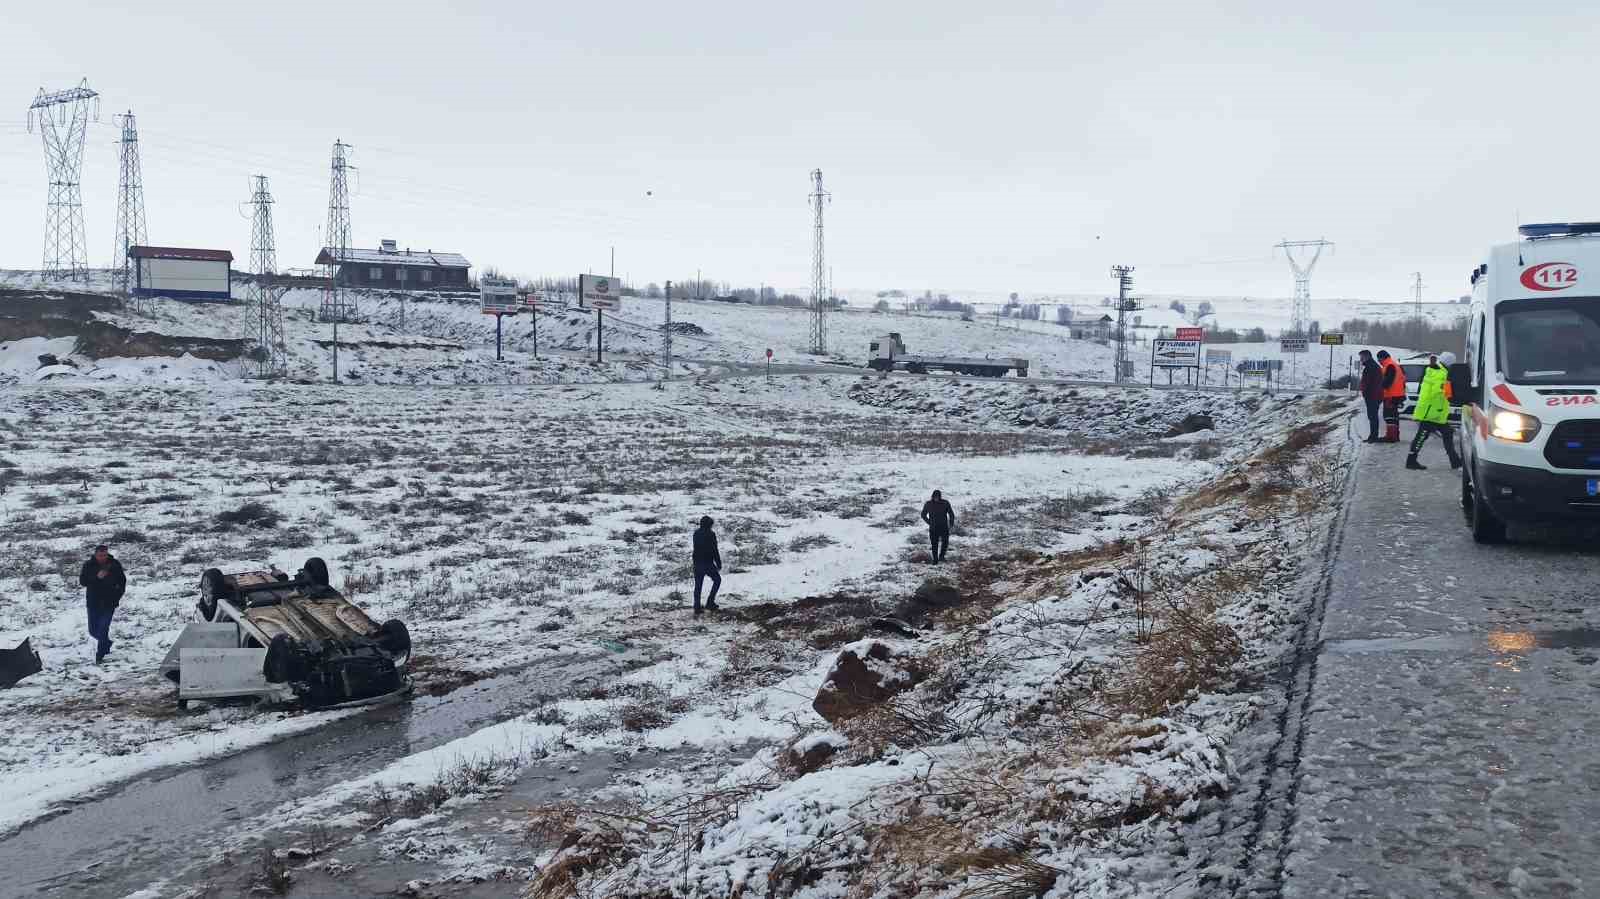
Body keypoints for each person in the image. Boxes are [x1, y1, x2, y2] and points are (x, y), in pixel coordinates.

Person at [1406, 353, 1462, 471]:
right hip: (1431, 412)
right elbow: (1439, 389)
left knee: (1447, 433)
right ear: (1449, 363)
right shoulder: (1440, 373)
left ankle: (1455, 461)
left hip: (1436, 412)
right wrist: (1452, 394)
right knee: (1421, 436)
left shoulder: (1434, 370)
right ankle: (1411, 461)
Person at [79, 544, 126, 663]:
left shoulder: (114, 564)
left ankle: (100, 655)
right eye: (100, 555)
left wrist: (117, 595)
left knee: (103, 628)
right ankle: (107, 643)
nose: (102, 557)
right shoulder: (88, 565)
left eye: (104, 555)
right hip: (93, 602)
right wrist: (96, 577)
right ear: (95, 554)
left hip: (109, 602)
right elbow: (83, 582)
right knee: (93, 630)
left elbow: (122, 581)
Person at [691, 516, 721, 614]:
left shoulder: (696, 533)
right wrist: (718, 562)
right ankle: (710, 602)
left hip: (697, 562)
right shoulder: (711, 534)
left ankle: (697, 606)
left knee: (698, 585)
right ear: (709, 525)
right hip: (707, 563)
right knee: (717, 580)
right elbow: (714, 549)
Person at [1377, 350, 1407, 443]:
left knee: (1389, 416)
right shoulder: (1395, 365)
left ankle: (1390, 437)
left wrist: (1380, 386)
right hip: (1398, 394)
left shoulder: (1389, 366)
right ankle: (1395, 436)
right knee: (1394, 415)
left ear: (1382, 357)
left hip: (1391, 395)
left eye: (1379, 359)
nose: (1379, 361)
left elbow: (1387, 382)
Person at [920, 490, 956, 564]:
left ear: (940, 496)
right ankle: (935, 560)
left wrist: (951, 524)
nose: (936, 498)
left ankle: (941, 556)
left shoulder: (945, 503)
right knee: (934, 544)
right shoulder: (928, 504)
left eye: (938, 497)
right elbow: (923, 514)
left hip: (944, 527)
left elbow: (951, 514)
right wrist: (929, 522)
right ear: (932, 496)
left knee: (945, 542)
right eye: (935, 497)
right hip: (933, 528)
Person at [1356, 349, 1384, 442]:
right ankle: (1372, 436)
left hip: (1373, 396)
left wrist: (1367, 392)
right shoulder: (1370, 366)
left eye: (1362, 357)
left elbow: (1373, 383)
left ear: (1367, 356)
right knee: (1372, 416)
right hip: (1372, 395)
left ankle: (1373, 437)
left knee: (1373, 417)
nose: (1361, 359)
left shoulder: (1372, 367)